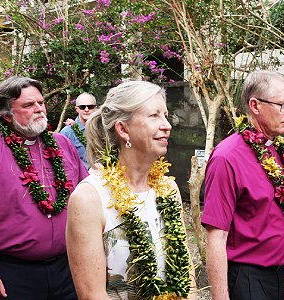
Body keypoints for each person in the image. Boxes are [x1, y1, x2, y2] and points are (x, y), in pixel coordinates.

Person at [0, 76, 89, 300]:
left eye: (41, 103)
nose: (39, 109)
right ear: (6, 115)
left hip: (67, 268)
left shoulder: (63, 144)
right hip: (12, 274)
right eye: (28, 105)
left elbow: (85, 195)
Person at [66, 81, 197, 300]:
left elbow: (187, 275)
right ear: (123, 129)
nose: (167, 125)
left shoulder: (168, 189)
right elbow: (92, 296)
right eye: (154, 116)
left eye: (165, 115)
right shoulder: (89, 198)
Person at [202, 70, 284, 300]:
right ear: (255, 105)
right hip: (247, 280)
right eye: (282, 104)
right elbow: (216, 237)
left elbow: (275, 220)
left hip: (276, 277)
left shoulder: (275, 150)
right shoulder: (227, 158)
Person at [60, 93, 98, 170]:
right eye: (82, 107)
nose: (86, 110)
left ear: (95, 108)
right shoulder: (67, 133)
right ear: (77, 109)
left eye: (90, 107)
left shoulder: (102, 130)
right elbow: (62, 163)